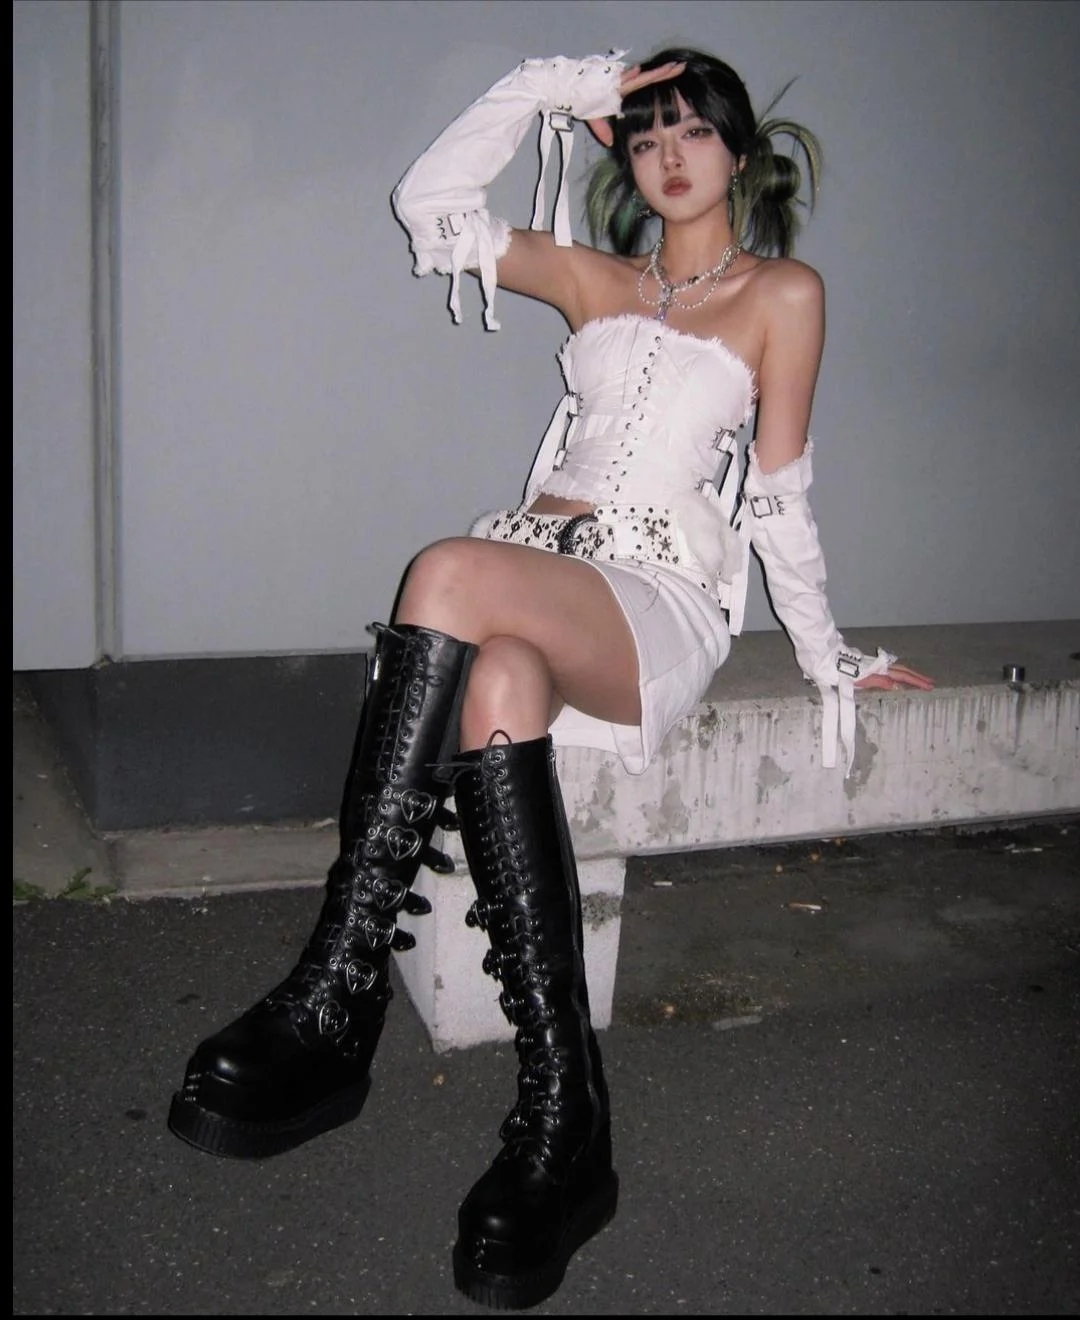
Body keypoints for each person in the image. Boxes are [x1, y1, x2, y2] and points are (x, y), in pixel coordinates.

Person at [168, 47, 933, 1310]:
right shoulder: (593, 280)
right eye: (647, 134)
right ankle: (566, 1119)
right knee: (500, 681)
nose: (669, 155)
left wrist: (827, 652)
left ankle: (335, 993)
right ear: (621, 153)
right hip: (543, 584)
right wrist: (548, 83)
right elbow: (432, 207)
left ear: (740, 154)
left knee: (446, 573)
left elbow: (781, 501)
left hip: (656, 604)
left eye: (693, 131)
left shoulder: (782, 294)